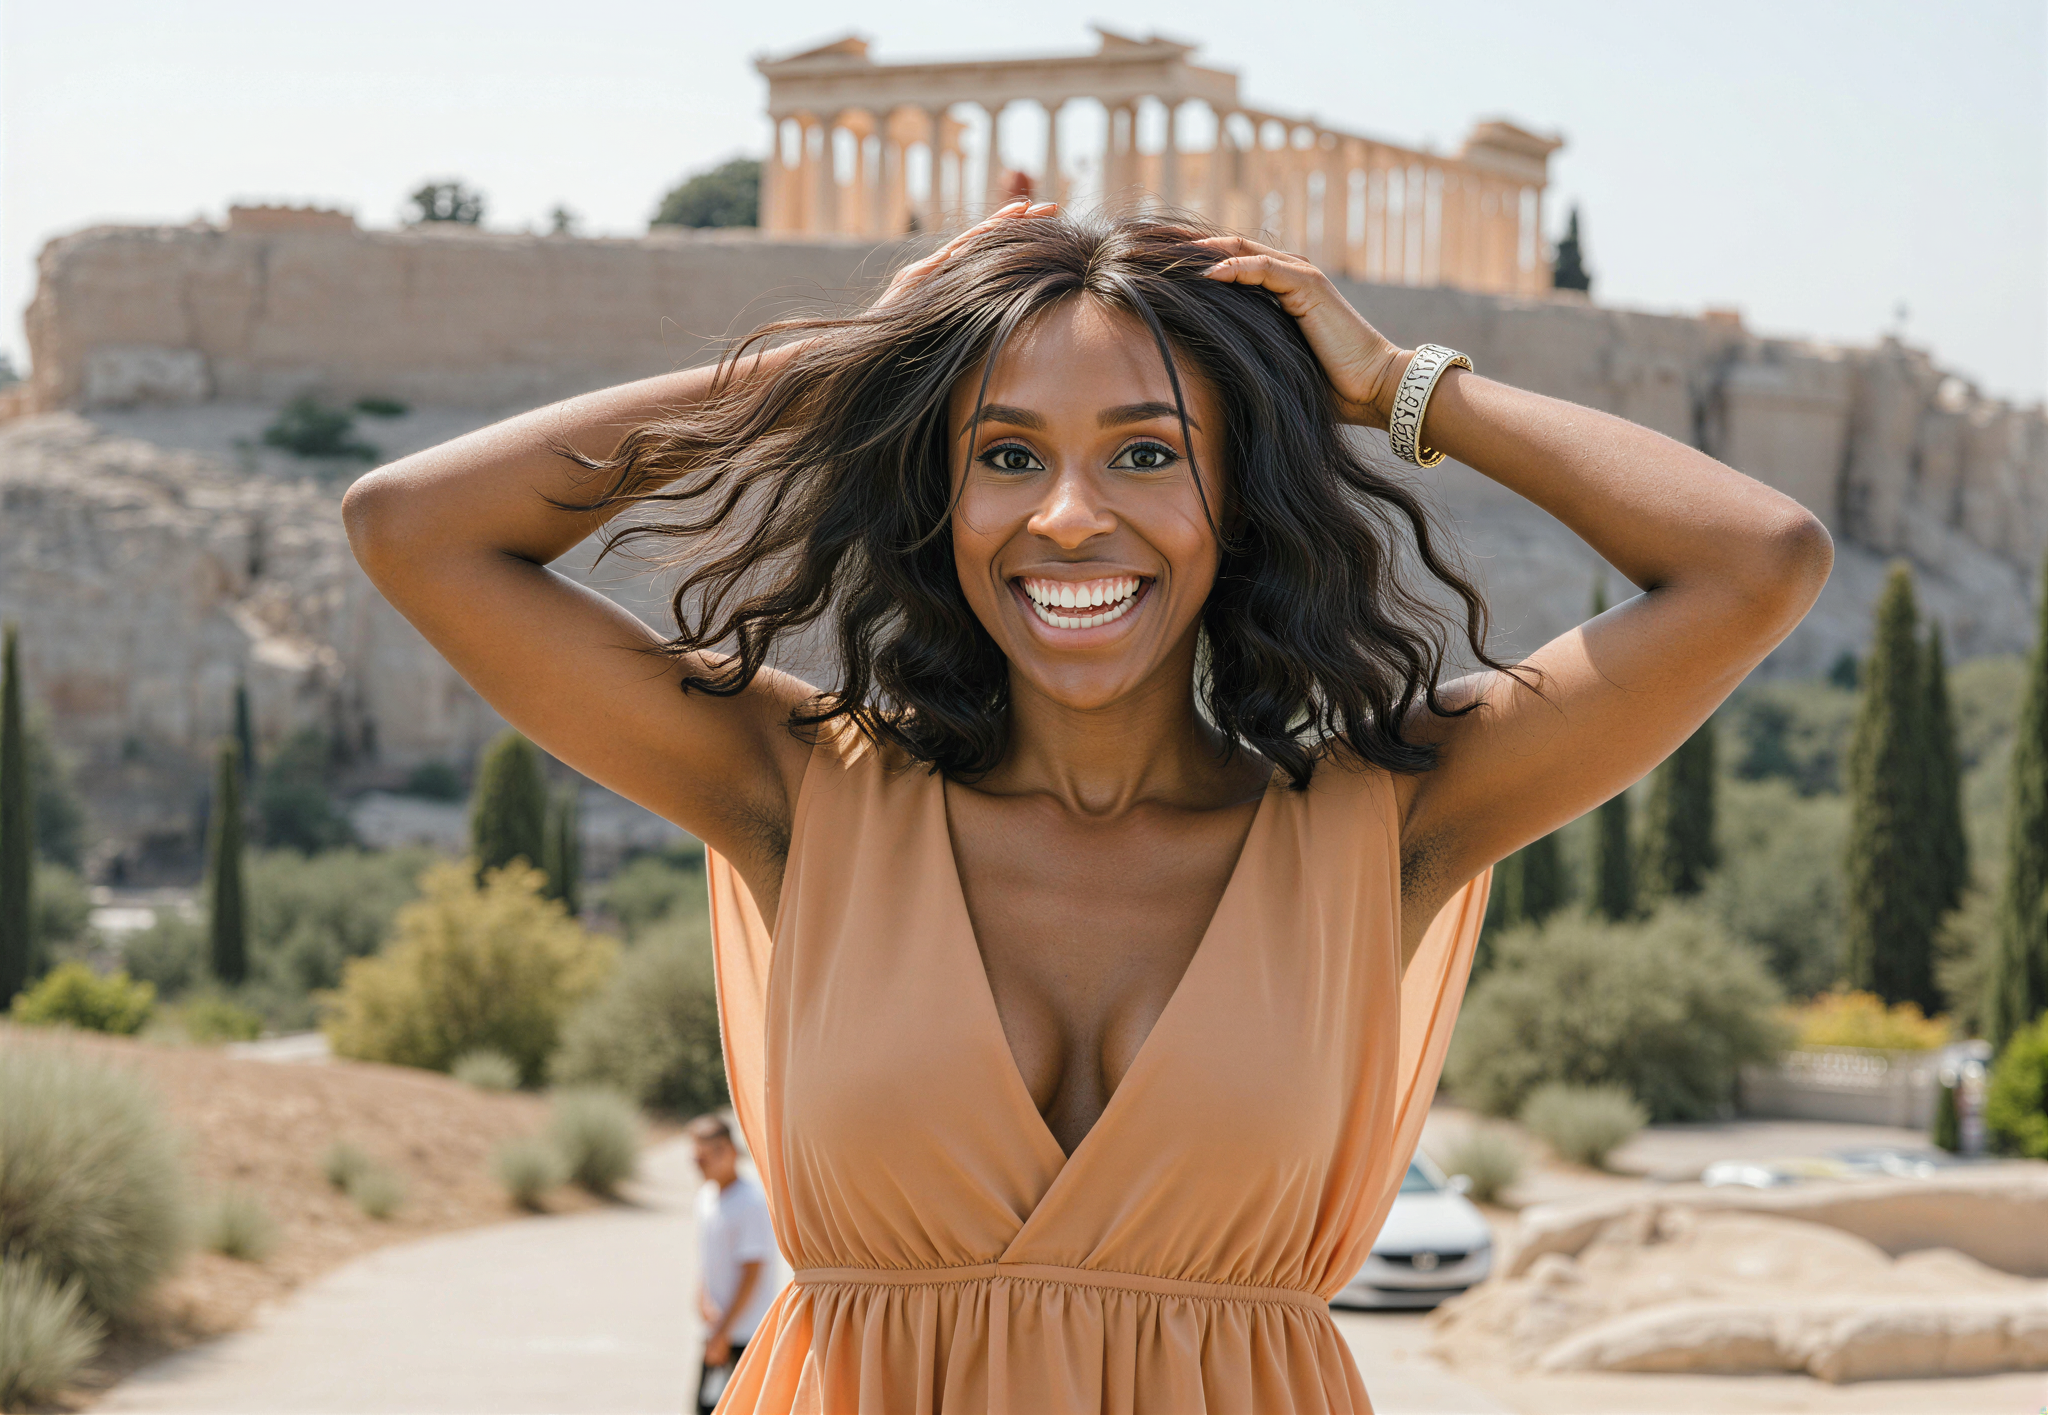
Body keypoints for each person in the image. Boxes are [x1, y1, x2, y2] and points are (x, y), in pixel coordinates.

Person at [344, 203, 1832, 1412]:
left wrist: (1395, 387)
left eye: (1146, 453)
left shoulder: (1379, 823)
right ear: (943, 499)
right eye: (1005, 455)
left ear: (1238, 503)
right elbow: (414, 527)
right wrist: (856, 366)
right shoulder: (803, 788)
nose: (1068, 517)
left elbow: (1756, 561)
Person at [687, 1115, 775, 1415]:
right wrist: (702, 1297)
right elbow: (710, 1259)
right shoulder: (706, 1197)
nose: (698, 1165)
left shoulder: (751, 1201)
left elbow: (753, 1271)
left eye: (704, 1157)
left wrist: (725, 1331)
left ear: (729, 1151)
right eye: (695, 1157)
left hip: (746, 1335)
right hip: (718, 1330)